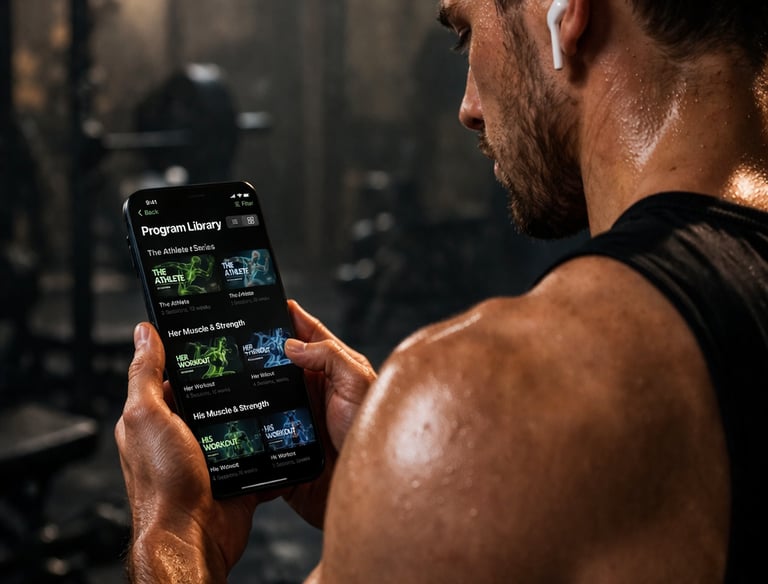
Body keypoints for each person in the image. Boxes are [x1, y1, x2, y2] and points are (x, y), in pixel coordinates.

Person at [115, 0, 768, 581]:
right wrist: (391, 492)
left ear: (566, 10)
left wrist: (173, 536)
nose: (468, 108)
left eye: (465, 32)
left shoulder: (477, 398)